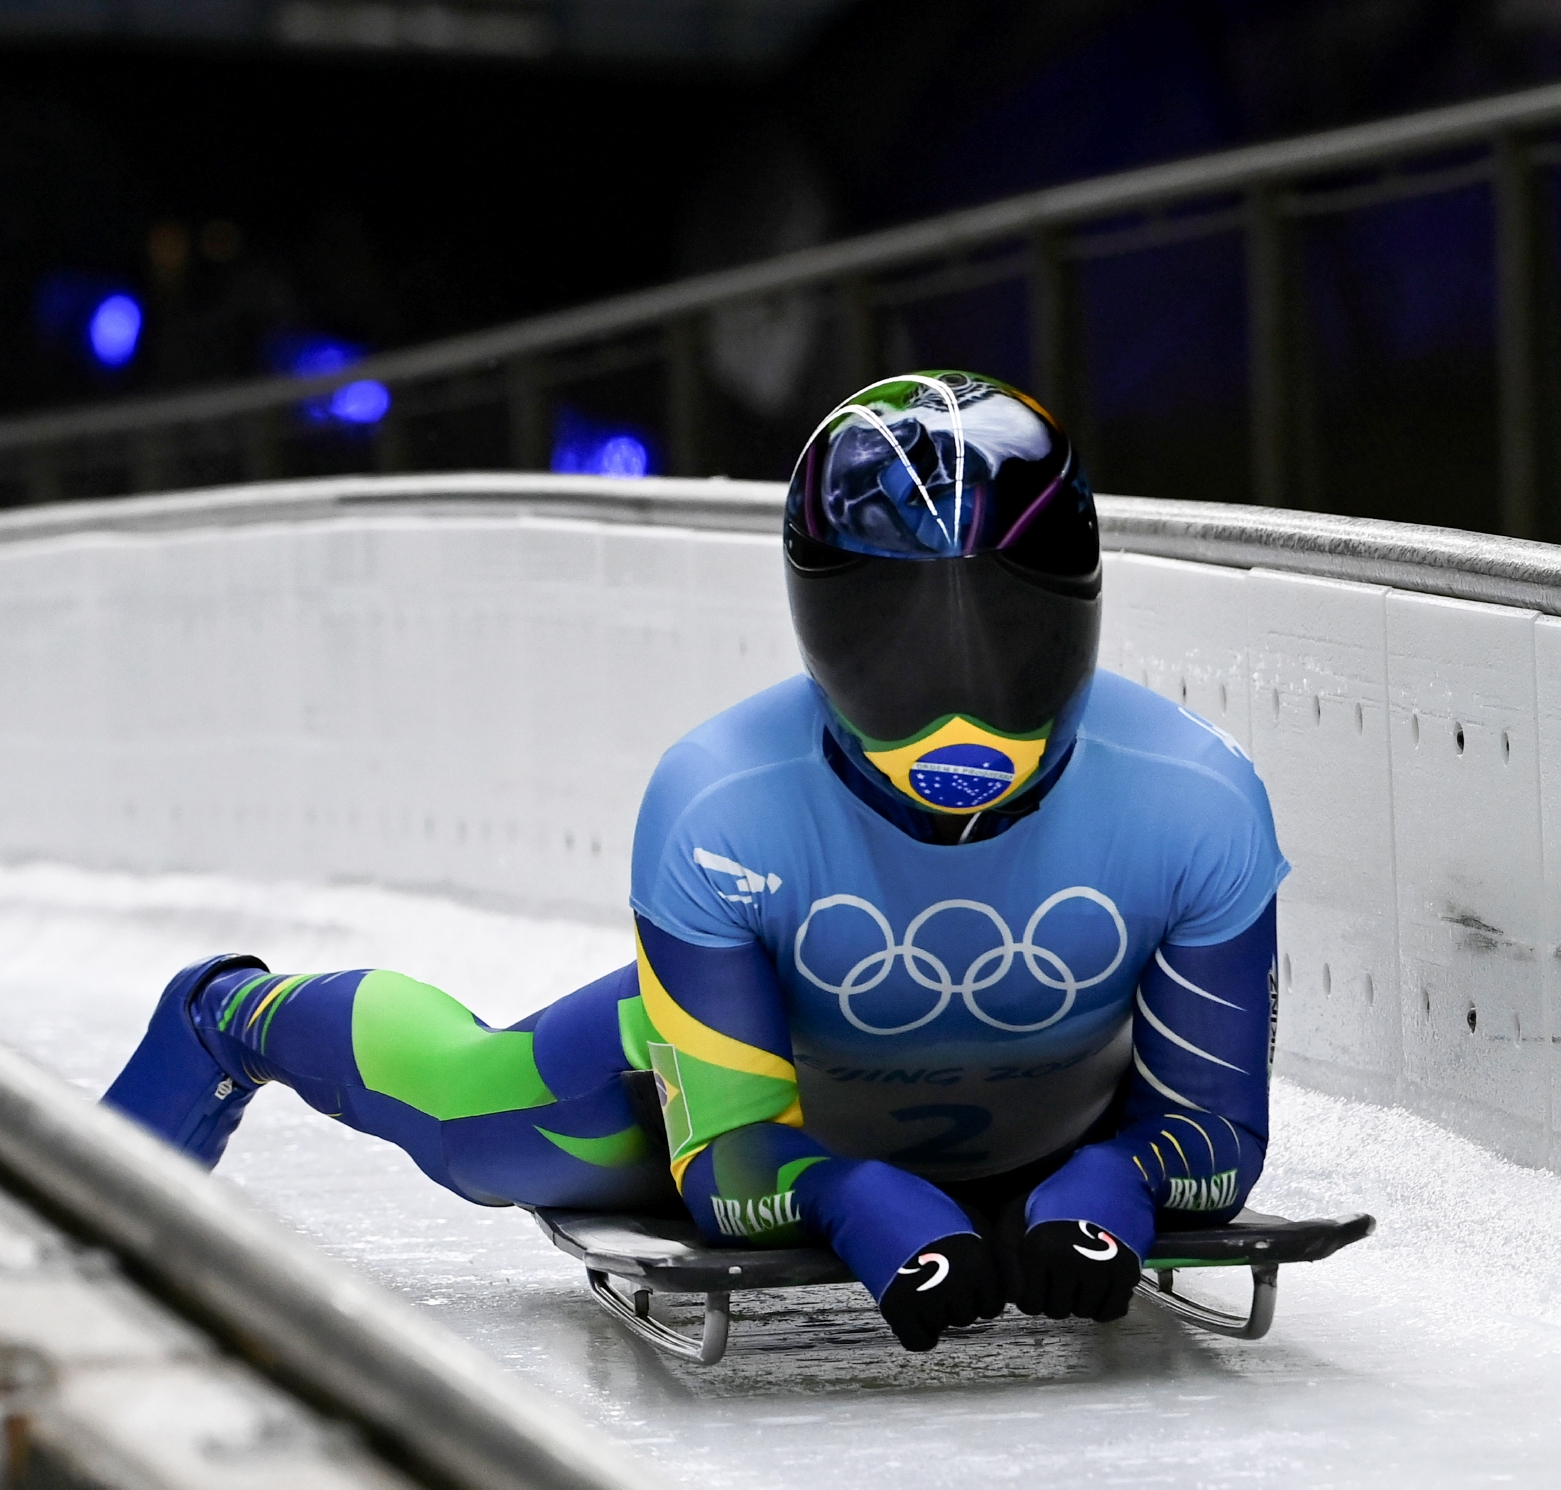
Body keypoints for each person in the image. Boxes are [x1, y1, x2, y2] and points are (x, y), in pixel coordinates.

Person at [102, 371, 1288, 1353]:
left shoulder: (1198, 801)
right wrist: (847, 1192)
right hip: (745, 1080)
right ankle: (231, 1015)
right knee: (471, 1122)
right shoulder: (719, 803)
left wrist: (1111, 1181)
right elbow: (726, 1161)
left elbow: (1215, 1133)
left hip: (1039, 1120)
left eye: (1003, 627)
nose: (955, 710)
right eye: (892, 636)